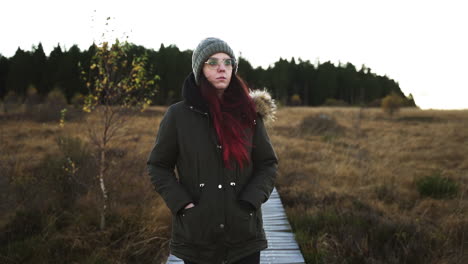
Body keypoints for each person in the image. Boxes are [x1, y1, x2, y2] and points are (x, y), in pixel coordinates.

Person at [147, 37, 278, 264]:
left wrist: (252, 200)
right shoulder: (178, 116)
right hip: (198, 234)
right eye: (213, 62)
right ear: (199, 68)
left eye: (228, 63)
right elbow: (158, 166)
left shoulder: (249, 114)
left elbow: (267, 163)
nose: (222, 68)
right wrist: (182, 204)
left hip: (243, 234)